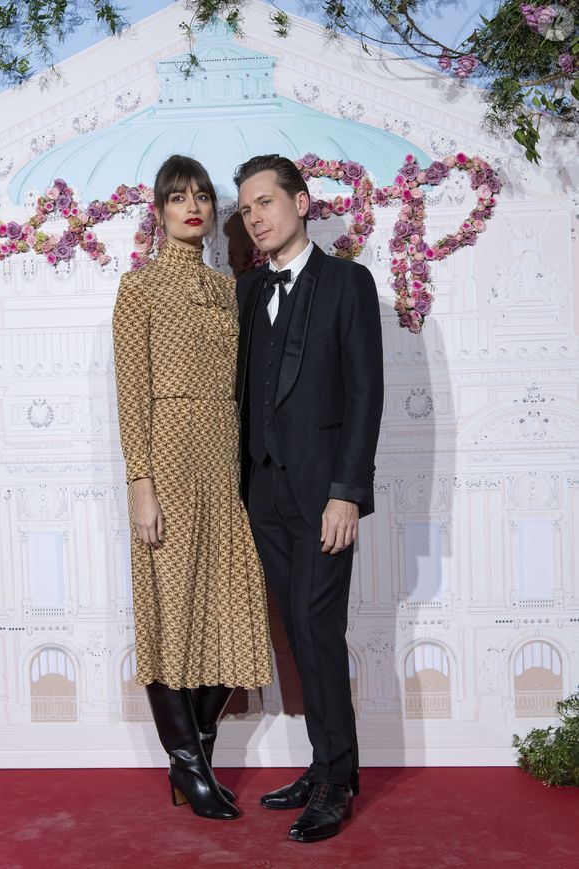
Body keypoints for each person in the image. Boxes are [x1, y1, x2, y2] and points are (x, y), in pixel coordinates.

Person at [112, 154, 272, 821]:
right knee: (169, 614)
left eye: (202, 195)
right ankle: (187, 762)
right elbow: (131, 393)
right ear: (159, 210)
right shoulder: (139, 290)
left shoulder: (229, 289)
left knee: (236, 614)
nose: (193, 206)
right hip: (169, 464)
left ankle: (195, 746)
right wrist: (142, 485)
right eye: (178, 197)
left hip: (224, 464)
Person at [234, 154, 384, 842]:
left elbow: (364, 395)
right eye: (246, 209)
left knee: (318, 629)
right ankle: (325, 762)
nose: (256, 217)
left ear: (300, 202)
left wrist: (346, 494)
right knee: (297, 631)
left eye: (265, 201)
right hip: (265, 491)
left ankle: (336, 779)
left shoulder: (347, 282)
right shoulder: (246, 291)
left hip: (323, 495)